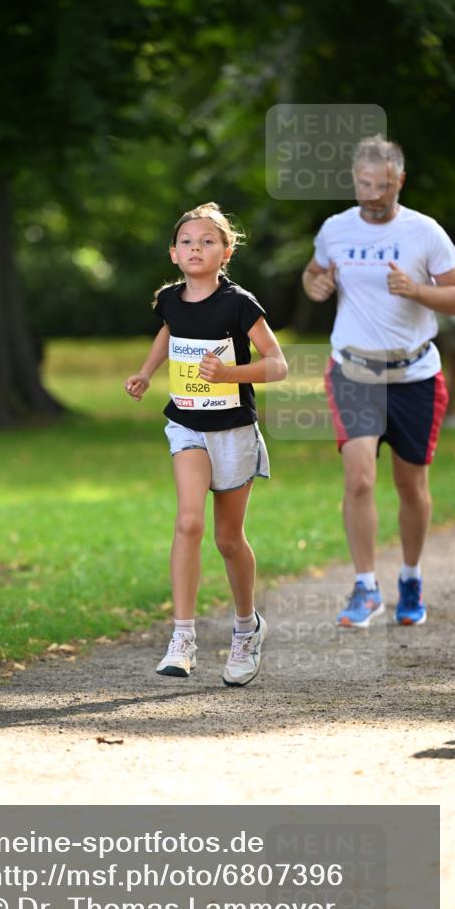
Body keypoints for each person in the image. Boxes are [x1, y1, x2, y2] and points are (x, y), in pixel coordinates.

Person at [125, 203, 287, 685]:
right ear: (173, 254)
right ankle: (182, 637)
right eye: (188, 242)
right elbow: (168, 333)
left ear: (226, 251)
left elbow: (277, 364)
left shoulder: (240, 304)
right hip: (187, 425)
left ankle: (245, 629)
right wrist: (146, 372)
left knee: (228, 539)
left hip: (234, 429)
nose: (197, 248)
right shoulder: (170, 300)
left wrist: (231, 373)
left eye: (207, 241)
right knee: (189, 521)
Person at [302, 135, 455, 628]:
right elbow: (313, 273)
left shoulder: (425, 232)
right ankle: (365, 587)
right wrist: (316, 284)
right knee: (359, 478)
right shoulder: (335, 229)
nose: (372, 195)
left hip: (414, 374)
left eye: (382, 186)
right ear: (354, 180)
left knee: (410, 486)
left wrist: (417, 290)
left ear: (400, 182)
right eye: (363, 185)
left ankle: (410, 578)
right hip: (354, 370)